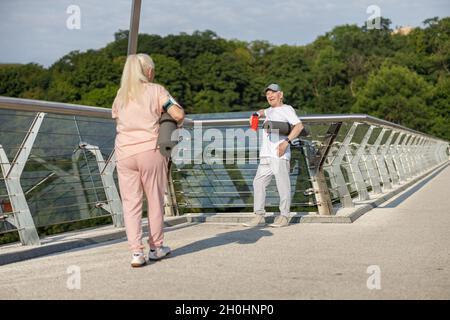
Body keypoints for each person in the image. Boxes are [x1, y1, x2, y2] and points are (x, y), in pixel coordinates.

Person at [112, 53, 185, 267]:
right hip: (149, 151)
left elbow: (117, 117)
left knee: (131, 204)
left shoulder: (121, 94)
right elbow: (178, 114)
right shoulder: (156, 90)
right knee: (154, 201)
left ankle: (136, 253)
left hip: (124, 153)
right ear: (149, 71)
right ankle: (156, 248)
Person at [244, 83, 304, 228]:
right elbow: (262, 111)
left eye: (273, 93)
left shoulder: (286, 109)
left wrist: (286, 142)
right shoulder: (270, 110)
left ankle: (284, 216)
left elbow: (299, 126)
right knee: (258, 183)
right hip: (265, 155)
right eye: (267, 94)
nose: (270, 96)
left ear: (280, 94)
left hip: (279, 154)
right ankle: (259, 216)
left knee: (282, 186)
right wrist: (257, 115)